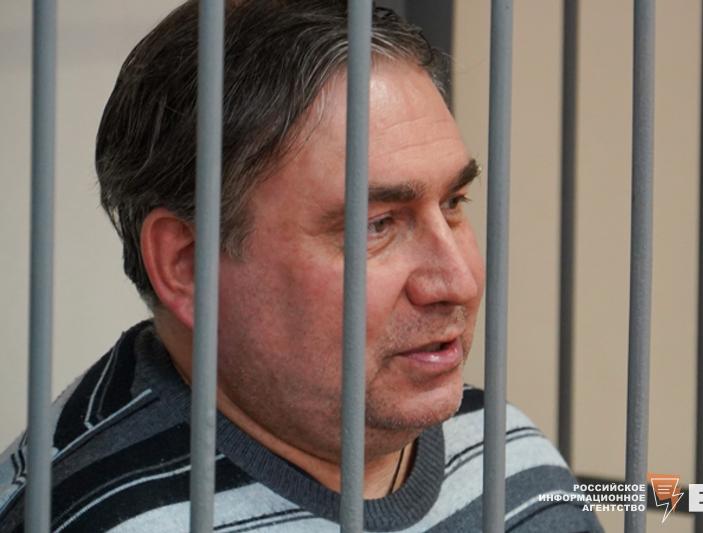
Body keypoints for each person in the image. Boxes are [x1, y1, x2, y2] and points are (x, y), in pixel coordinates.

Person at [0, 1, 602, 531]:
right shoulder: (89, 514)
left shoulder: (508, 451)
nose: (459, 282)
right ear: (187, 265)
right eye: (376, 225)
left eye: (453, 203)